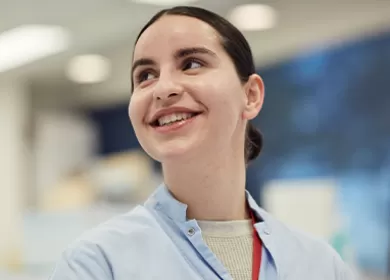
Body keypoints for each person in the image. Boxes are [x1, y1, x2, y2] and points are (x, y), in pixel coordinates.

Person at [49, 6, 355, 280]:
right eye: (145, 75)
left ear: (251, 95)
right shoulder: (96, 264)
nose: (163, 88)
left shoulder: (320, 265)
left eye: (192, 64)